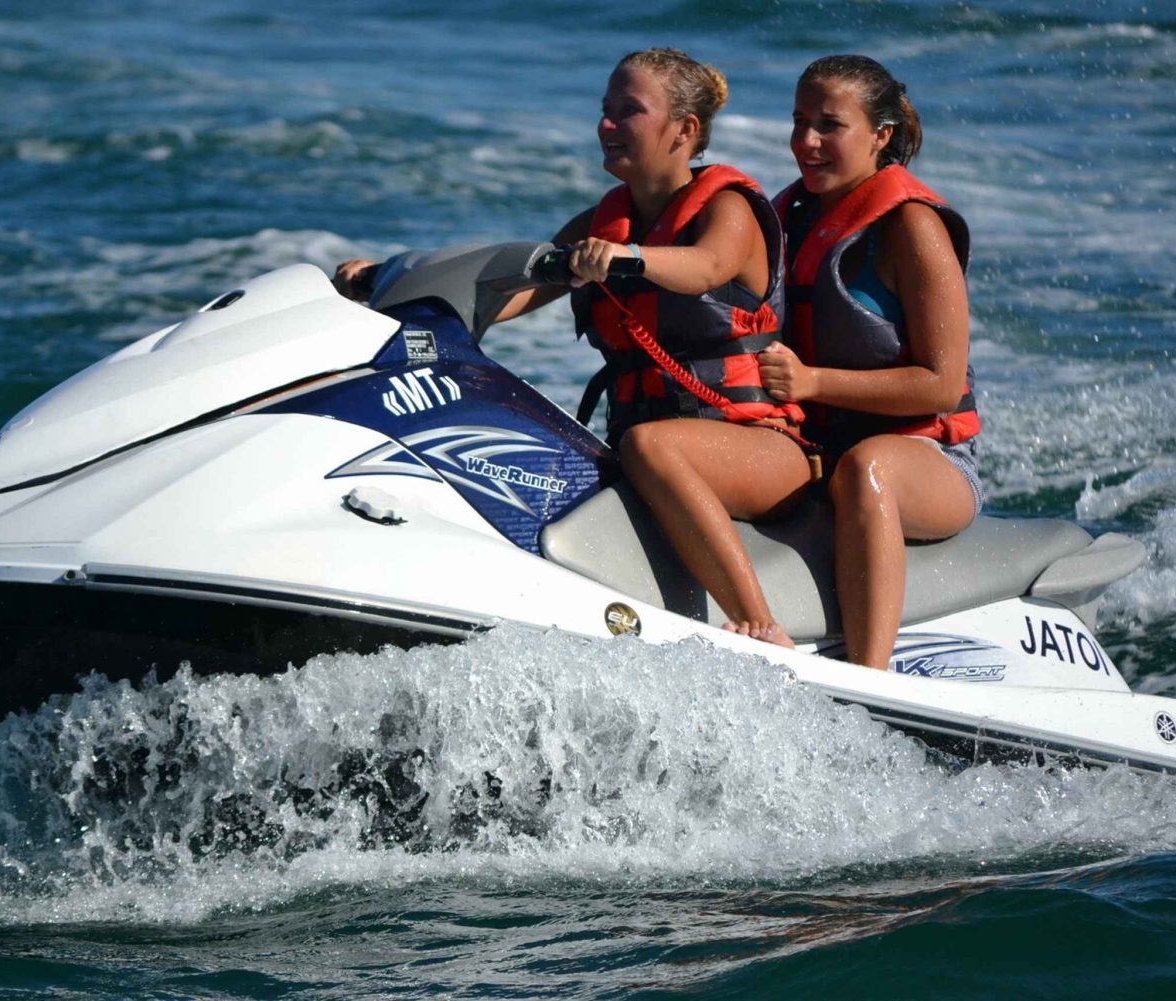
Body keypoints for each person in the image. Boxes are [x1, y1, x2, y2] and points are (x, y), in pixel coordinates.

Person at [334, 48, 809, 648]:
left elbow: (706, 267)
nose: (606, 125)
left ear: (685, 130)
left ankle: (762, 625)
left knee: (650, 443)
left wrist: (629, 259)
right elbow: (510, 296)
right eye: (604, 110)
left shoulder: (727, 210)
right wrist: (392, 286)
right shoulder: (601, 225)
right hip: (655, 451)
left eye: (628, 111)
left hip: (764, 448)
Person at [758, 54, 984, 669]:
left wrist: (813, 381)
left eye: (830, 125)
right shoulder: (788, 218)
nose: (806, 142)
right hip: (812, 448)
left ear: (880, 136)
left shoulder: (911, 227)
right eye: (799, 121)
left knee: (867, 467)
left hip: (926, 460)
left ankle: (870, 679)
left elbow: (940, 385)